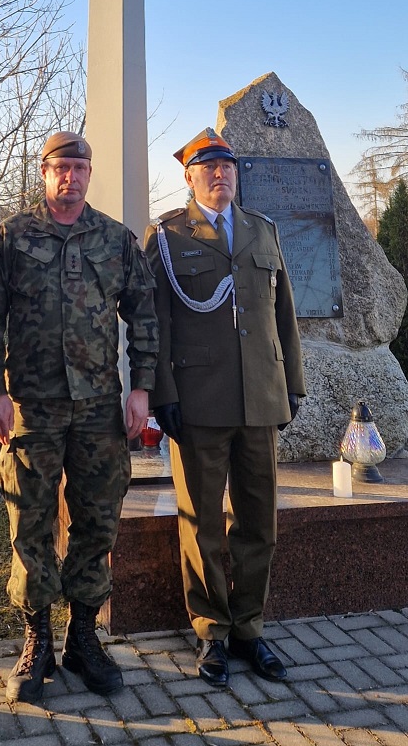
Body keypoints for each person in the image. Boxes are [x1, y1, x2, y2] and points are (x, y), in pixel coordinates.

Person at [0, 131, 158, 704]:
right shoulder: (11, 238)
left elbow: (144, 314)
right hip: (33, 407)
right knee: (30, 525)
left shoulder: (116, 240)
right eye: (60, 168)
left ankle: (83, 637)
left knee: (97, 521)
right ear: (44, 173)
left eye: (79, 166)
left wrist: (141, 389)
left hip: (100, 407)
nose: (70, 177)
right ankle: (37, 638)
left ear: (89, 173)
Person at [144, 128, 306, 688]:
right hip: (199, 402)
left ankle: (249, 628)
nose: (220, 175)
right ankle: (211, 630)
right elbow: (156, 322)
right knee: (203, 521)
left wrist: (293, 386)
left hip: (260, 396)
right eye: (208, 167)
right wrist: (162, 394)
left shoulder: (264, 231)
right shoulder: (167, 236)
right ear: (188, 176)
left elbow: (282, 313)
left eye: (227, 166)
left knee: (259, 518)